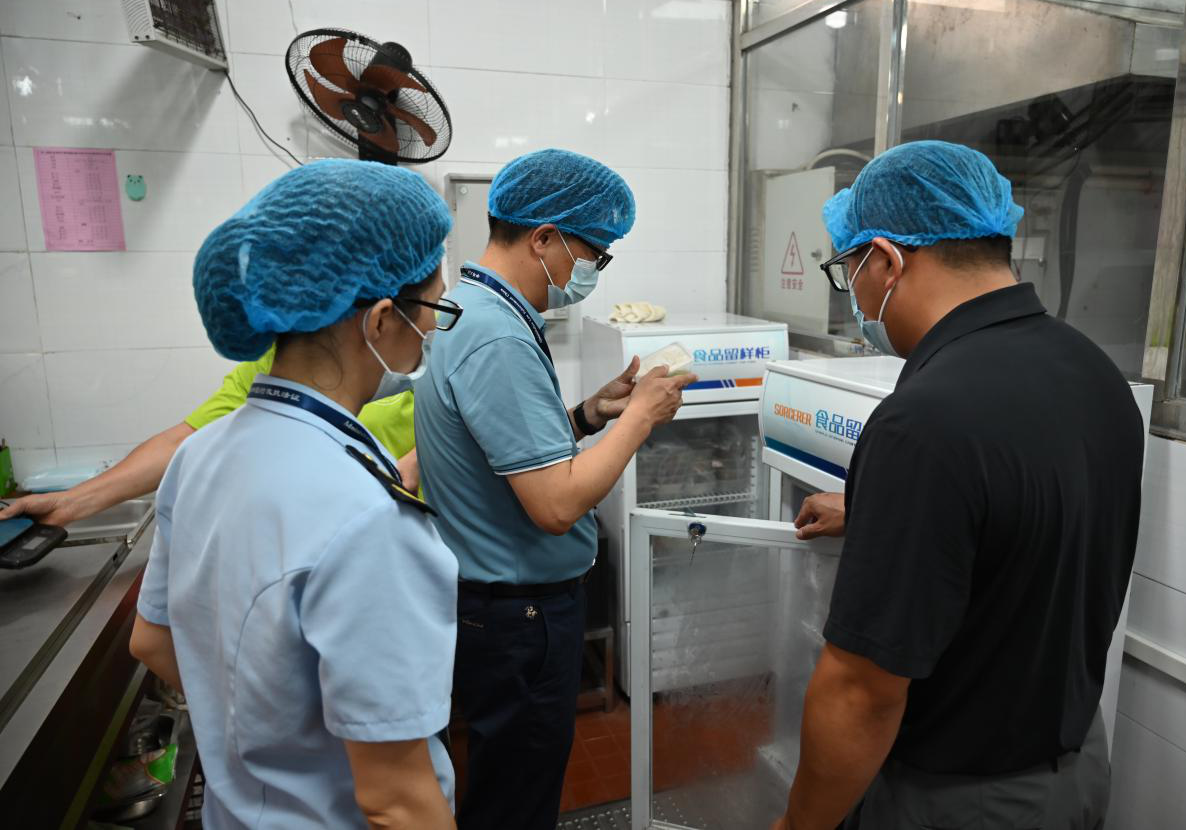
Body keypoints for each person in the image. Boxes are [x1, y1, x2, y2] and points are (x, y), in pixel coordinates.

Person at [775, 141, 1144, 830]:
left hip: (960, 800)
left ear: (886, 261)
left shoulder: (922, 422)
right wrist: (881, 513)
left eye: (848, 269)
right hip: (1076, 768)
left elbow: (861, 693)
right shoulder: (1095, 373)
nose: (854, 295)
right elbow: (1029, 515)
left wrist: (796, 826)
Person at [129, 159, 461, 828]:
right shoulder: (367, 516)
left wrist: (260, 732)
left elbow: (151, 641)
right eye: (434, 310)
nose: (434, 332)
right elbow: (397, 800)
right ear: (381, 320)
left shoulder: (200, 455)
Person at [415, 148, 698, 830]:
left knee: (502, 784)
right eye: (594, 253)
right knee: (515, 802)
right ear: (544, 238)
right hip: (520, 618)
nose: (594, 271)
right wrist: (640, 418)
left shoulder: (471, 308)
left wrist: (590, 414)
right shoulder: (497, 337)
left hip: (493, 608)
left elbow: (504, 451)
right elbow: (557, 504)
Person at [0, 350, 420, 529]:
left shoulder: (428, 358)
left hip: (404, 541)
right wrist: (69, 503)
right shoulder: (275, 365)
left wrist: (411, 467)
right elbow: (182, 443)